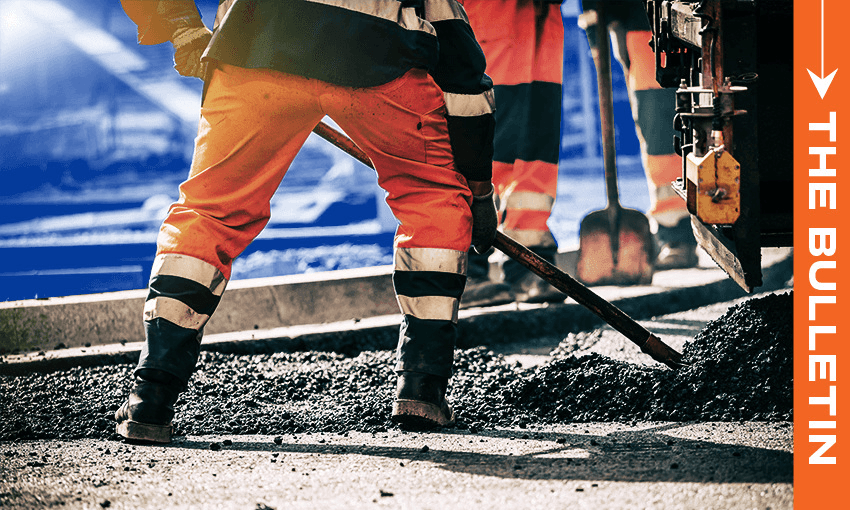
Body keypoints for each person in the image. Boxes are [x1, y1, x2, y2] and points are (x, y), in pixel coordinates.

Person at [115, 0, 498, 443]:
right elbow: (460, 64)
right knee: (432, 199)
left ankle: (152, 395)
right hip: (377, 51)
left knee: (211, 211)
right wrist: (476, 186)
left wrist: (179, 27)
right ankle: (422, 388)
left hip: (258, 41)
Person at [458, 0, 568, 308]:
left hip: (539, 14)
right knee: (481, 133)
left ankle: (528, 263)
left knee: (536, 146)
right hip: (486, 13)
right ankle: (463, 270)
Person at [580, 0, 698, 269]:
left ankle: (705, 229)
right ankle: (677, 232)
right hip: (645, 23)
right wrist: (596, 34)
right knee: (661, 132)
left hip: (701, 18)